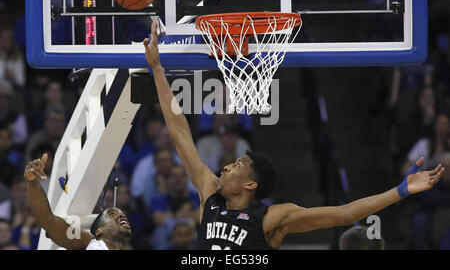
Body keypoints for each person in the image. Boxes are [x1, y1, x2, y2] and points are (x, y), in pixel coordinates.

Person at [144, 21, 446, 250]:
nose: (224, 167)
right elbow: (180, 133)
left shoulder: (272, 218)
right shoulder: (210, 194)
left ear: (251, 184)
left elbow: (343, 214)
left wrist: (401, 191)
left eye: (235, 166)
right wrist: (157, 68)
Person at [24, 153, 132, 250]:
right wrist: (32, 183)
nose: (121, 215)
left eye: (122, 214)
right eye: (112, 214)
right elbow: (48, 221)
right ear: (99, 233)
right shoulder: (92, 244)